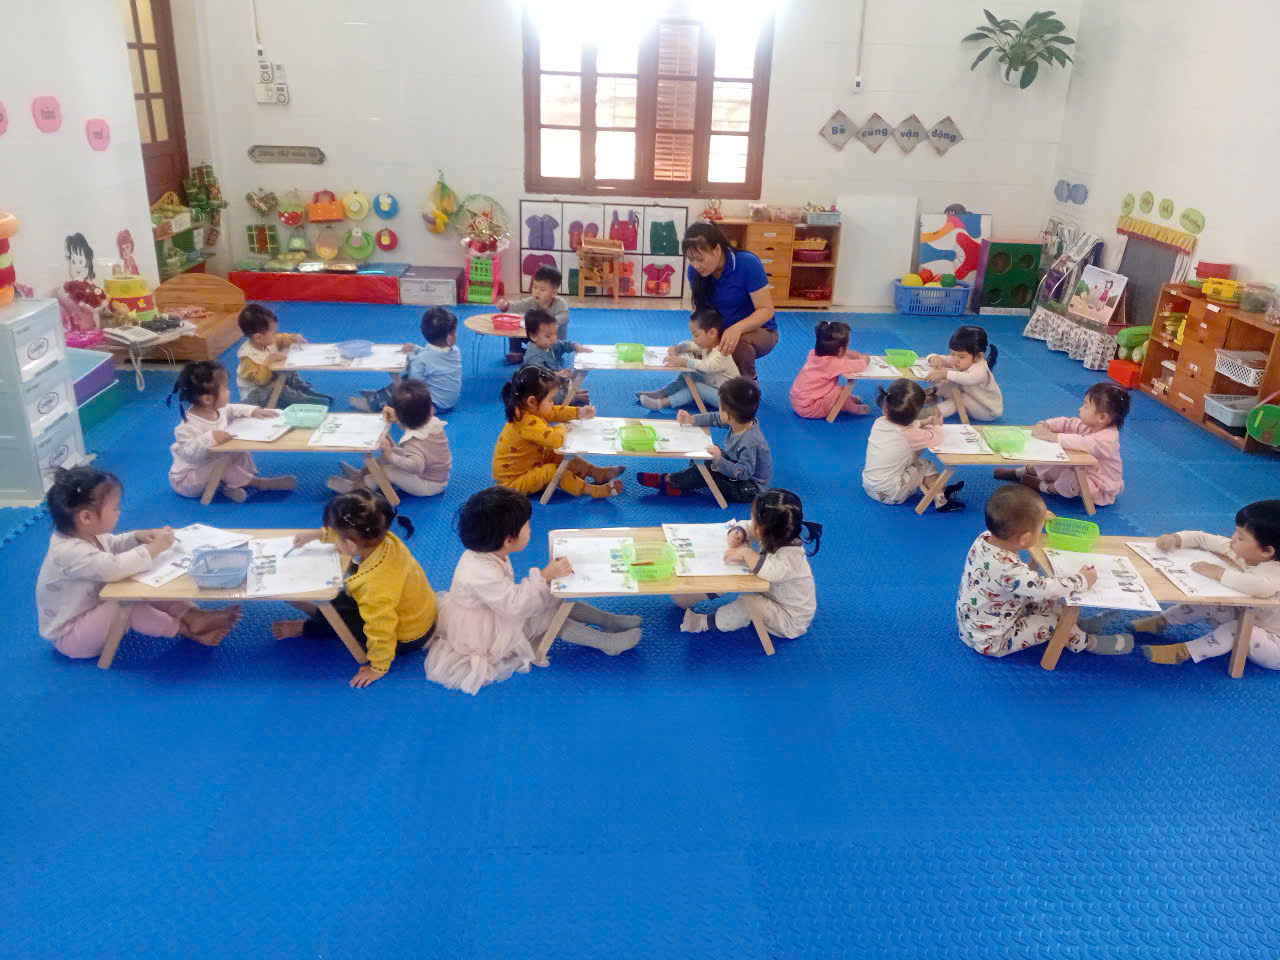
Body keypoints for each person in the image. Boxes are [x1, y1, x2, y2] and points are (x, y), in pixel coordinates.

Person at [425, 486, 643, 693]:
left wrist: (545, 583)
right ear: (509, 540)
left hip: (499, 606)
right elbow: (515, 607)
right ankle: (606, 643)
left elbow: (508, 597)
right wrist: (545, 576)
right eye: (527, 527)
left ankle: (608, 621)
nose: (531, 529)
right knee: (551, 617)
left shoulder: (488, 552)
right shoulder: (481, 572)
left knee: (556, 596)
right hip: (488, 631)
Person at [36, 466, 240, 658]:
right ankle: (187, 630)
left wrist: (138, 536)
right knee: (126, 602)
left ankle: (194, 615)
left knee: (144, 581)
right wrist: (154, 548)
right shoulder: (68, 552)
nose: (119, 512)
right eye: (115, 508)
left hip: (95, 612)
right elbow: (113, 568)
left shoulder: (87, 534)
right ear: (86, 517)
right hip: (73, 637)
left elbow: (114, 544)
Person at [274, 490, 436, 688]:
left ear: (350, 545)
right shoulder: (384, 537)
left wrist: (378, 667)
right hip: (415, 611)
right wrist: (318, 535)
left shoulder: (375, 588)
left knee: (342, 621)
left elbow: (381, 631)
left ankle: (306, 627)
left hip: (406, 636)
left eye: (335, 535)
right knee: (344, 598)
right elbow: (350, 533)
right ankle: (318, 610)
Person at [1093, 501, 1280, 668]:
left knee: (1237, 628)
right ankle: (1160, 622)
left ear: (1267, 551)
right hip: (1250, 616)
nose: (1232, 539)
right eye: (1235, 532)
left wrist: (1219, 573)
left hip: (1274, 644)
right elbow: (1204, 539)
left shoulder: (1274, 570)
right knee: (1212, 602)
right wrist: (1176, 539)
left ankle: (1184, 652)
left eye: (1240, 537)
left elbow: (1262, 588)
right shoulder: (1244, 552)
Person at [957, 486, 1134, 658]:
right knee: (1052, 620)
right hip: (993, 640)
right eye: (1040, 527)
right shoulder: (1009, 570)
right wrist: (1082, 580)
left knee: (1049, 602)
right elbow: (1045, 588)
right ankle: (1088, 643)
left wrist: (1038, 517)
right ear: (1025, 538)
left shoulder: (985, 538)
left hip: (973, 624)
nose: (1041, 528)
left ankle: (1075, 625)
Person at [674, 489, 820, 641]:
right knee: (736, 573)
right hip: (771, 595)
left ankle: (704, 623)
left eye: (753, 519)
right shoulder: (777, 532)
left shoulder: (790, 557)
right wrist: (739, 531)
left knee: (748, 603)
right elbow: (749, 526)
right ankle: (694, 595)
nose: (751, 522)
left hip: (789, 619)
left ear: (762, 530)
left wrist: (746, 553)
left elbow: (770, 572)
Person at [167, 361, 295, 502]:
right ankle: (260, 484)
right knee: (224, 464)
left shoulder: (218, 409)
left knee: (238, 449)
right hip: (188, 479)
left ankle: (232, 484)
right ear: (207, 399)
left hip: (212, 467)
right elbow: (189, 454)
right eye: (226, 388)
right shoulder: (188, 426)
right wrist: (210, 438)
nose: (229, 391)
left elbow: (233, 409)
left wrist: (253, 411)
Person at [493, 367, 624, 499]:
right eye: (550, 399)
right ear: (531, 401)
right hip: (513, 484)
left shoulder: (527, 409)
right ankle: (593, 491)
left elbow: (553, 412)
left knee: (557, 454)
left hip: (532, 462)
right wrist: (562, 427)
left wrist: (579, 412)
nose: (552, 403)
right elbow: (556, 440)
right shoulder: (526, 422)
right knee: (552, 470)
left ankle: (596, 472)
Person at [995, 382, 1128, 507]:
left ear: (1102, 417)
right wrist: (1047, 425)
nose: (1080, 408)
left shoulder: (1107, 439)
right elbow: (1067, 423)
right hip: (1083, 468)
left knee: (1074, 481)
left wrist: (1052, 436)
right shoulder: (1091, 425)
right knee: (1051, 458)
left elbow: (1081, 442)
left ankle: (1044, 487)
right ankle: (1020, 472)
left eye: (1086, 406)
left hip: (1099, 485)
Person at [638, 377, 771, 502]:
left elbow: (744, 472)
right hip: (735, 467)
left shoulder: (750, 442)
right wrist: (691, 419)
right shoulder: (739, 421)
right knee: (705, 453)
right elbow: (714, 418)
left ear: (727, 415)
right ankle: (684, 483)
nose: (718, 411)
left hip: (747, 488)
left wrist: (719, 461)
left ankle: (669, 480)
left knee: (708, 466)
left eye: (720, 408)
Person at [683, 221, 776, 381]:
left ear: (717, 250)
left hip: (760, 331)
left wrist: (737, 329)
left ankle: (748, 384)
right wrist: (699, 337)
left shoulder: (747, 263)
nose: (695, 265)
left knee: (734, 344)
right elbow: (700, 311)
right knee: (698, 353)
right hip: (720, 333)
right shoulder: (695, 272)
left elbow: (766, 310)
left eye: (700, 259)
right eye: (690, 260)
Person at [328, 379, 450, 498]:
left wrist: (390, 454)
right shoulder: (433, 423)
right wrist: (398, 417)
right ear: (431, 411)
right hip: (432, 474)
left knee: (386, 470)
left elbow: (416, 467)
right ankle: (361, 475)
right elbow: (414, 423)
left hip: (429, 484)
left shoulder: (413, 442)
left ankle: (355, 488)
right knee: (394, 453)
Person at [861, 379, 964, 511]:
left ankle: (936, 489)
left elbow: (911, 425)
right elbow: (936, 437)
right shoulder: (911, 434)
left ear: (886, 408)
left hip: (870, 485)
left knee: (915, 464)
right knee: (925, 465)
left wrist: (925, 421)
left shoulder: (879, 422)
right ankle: (940, 499)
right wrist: (937, 426)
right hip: (892, 494)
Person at [354, 307, 462, 413]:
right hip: (446, 400)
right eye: (455, 332)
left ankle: (373, 404)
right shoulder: (454, 350)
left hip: (433, 405)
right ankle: (378, 396)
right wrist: (415, 349)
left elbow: (415, 383)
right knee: (403, 380)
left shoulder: (421, 360)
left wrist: (408, 361)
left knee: (402, 385)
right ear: (449, 338)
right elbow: (432, 355)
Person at [636, 307, 738, 412]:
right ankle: (661, 394)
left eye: (696, 335)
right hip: (714, 388)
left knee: (696, 388)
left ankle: (661, 403)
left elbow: (707, 366)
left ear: (712, 333)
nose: (694, 339)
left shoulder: (722, 352)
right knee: (689, 375)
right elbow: (691, 345)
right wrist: (678, 348)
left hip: (728, 400)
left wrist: (683, 362)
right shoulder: (707, 345)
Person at [234, 303, 332, 407]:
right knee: (278, 387)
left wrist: (293, 338)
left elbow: (280, 339)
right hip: (255, 395)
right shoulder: (248, 358)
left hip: (270, 381)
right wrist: (269, 360)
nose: (275, 335)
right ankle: (302, 400)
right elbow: (260, 381)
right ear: (258, 337)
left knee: (287, 369)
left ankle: (303, 390)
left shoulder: (266, 340)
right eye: (273, 333)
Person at [789, 320, 871, 418]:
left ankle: (847, 400)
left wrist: (846, 353)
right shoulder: (834, 364)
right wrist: (865, 359)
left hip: (798, 402)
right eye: (847, 346)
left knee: (836, 390)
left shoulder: (814, 353)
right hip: (809, 408)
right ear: (840, 350)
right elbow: (861, 365)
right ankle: (855, 409)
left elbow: (838, 357)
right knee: (838, 392)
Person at [924, 325, 1002, 421]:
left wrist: (945, 374)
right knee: (945, 383)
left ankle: (929, 414)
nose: (955, 359)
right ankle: (931, 395)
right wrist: (933, 358)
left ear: (978, 356)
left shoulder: (981, 369)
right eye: (952, 354)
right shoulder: (960, 360)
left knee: (959, 396)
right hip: (972, 398)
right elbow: (942, 359)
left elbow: (968, 379)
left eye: (961, 357)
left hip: (987, 410)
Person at [498, 264, 570, 364]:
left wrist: (550, 322)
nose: (537, 292)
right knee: (515, 327)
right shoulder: (532, 302)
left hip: (553, 343)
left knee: (550, 353)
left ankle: (528, 354)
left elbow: (565, 316)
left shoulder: (560, 303)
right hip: (538, 339)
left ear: (553, 292)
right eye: (535, 287)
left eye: (542, 289)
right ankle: (516, 351)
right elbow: (519, 305)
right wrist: (506, 305)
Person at [519, 307, 591, 405]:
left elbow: (562, 345)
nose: (553, 339)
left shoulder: (548, 344)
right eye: (548, 336)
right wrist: (557, 375)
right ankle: (571, 397)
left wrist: (574, 346)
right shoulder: (533, 357)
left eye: (555, 334)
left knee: (565, 380)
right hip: (538, 387)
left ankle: (568, 391)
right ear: (533, 336)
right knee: (554, 396)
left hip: (552, 378)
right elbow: (540, 378)